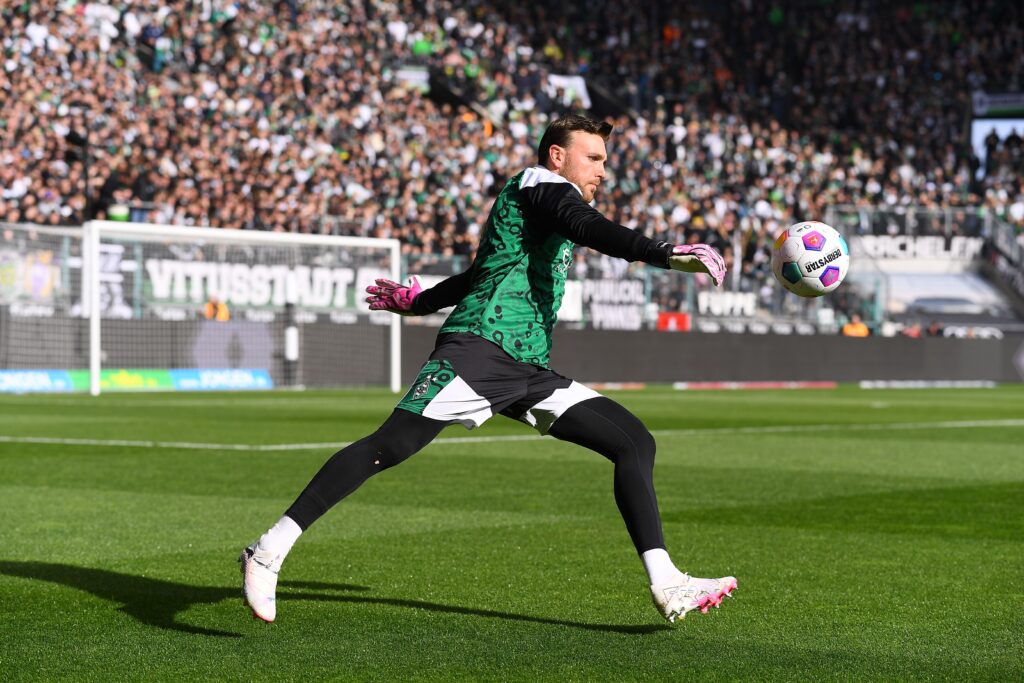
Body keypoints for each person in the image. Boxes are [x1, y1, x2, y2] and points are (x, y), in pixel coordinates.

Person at [239, 114, 737, 624]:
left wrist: (422, 300)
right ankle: (267, 551)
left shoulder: (541, 208)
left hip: (526, 367)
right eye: (594, 158)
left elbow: (483, 271)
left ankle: (667, 581)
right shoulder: (538, 184)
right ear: (556, 156)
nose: (603, 172)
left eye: (605, 161)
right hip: (480, 350)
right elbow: (587, 228)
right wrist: (665, 253)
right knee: (391, 445)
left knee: (632, 441)